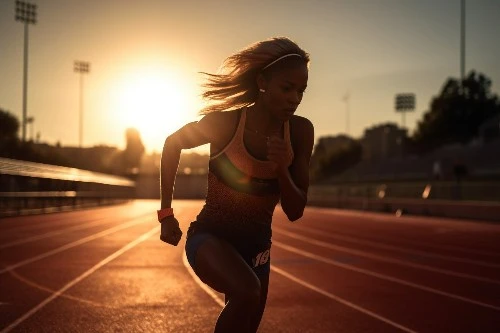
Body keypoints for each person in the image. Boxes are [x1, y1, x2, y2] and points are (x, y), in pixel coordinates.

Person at [158, 36, 314, 333]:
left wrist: (283, 169)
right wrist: (166, 214)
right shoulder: (225, 124)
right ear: (262, 82)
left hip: (257, 253)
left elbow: (295, 211)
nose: (295, 98)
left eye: (301, 91)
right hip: (210, 239)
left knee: (246, 314)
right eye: (287, 88)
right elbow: (172, 143)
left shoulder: (300, 132)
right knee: (247, 292)